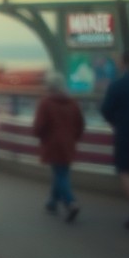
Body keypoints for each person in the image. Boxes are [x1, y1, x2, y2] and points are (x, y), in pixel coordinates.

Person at [100, 51, 129, 230]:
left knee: (124, 170)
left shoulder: (117, 85)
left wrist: (116, 123)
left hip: (126, 133)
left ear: (123, 63)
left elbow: (105, 110)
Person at [33, 74, 84, 222]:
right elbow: (80, 124)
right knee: (61, 173)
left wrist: (40, 137)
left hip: (52, 144)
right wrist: (74, 138)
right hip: (69, 143)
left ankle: (71, 202)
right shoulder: (73, 103)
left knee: (60, 175)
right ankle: (52, 203)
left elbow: (39, 127)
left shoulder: (45, 103)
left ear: (49, 87)